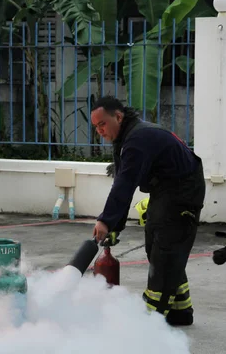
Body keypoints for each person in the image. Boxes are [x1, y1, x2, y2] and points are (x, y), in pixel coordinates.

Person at [90, 96, 206, 327]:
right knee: (157, 246)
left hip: (183, 191)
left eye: (102, 124)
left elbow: (125, 185)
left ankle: (150, 319)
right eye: (95, 127)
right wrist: (114, 225)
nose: (99, 131)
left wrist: (105, 221)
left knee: (165, 249)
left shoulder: (137, 138)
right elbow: (122, 180)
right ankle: (180, 311)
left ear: (118, 117)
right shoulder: (126, 138)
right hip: (166, 189)